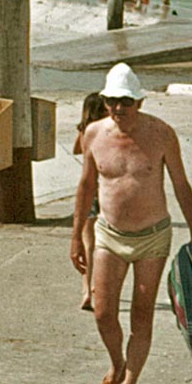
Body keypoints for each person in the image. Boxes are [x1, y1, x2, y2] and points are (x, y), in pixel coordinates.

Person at [70, 63, 192, 384]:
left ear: (140, 102)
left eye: (126, 102)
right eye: (112, 101)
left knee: (141, 315)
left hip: (152, 237)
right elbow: (86, 188)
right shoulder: (94, 134)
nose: (118, 108)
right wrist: (75, 238)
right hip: (109, 236)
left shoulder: (162, 134)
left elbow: (181, 186)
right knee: (103, 313)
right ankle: (116, 366)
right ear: (104, 101)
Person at [72, 93, 108, 313]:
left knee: (87, 242)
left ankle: (86, 289)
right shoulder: (105, 129)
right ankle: (98, 286)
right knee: (104, 241)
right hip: (105, 188)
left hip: (87, 190)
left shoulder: (85, 130)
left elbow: (77, 148)